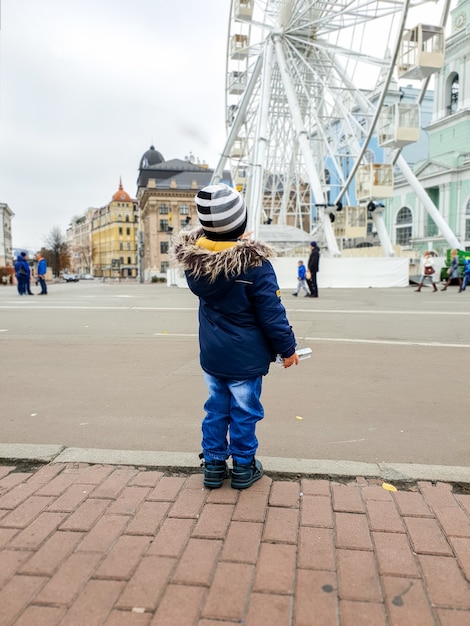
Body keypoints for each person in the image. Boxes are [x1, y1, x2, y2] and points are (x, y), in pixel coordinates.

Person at [171, 183, 299, 490]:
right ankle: (243, 466)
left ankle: (214, 465)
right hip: (246, 359)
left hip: (213, 355)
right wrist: (288, 348)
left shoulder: (196, 265)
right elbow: (272, 314)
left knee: (216, 408)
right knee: (244, 411)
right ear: (242, 225)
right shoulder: (256, 266)